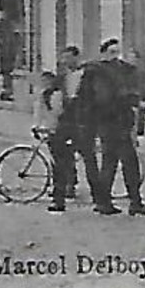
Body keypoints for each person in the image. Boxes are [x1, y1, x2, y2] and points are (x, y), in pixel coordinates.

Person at [79, 38, 145, 216]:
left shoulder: (102, 71)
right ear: (104, 53)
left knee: (110, 162)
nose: (115, 57)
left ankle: (105, 202)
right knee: (127, 162)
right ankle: (133, 201)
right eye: (112, 52)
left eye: (116, 53)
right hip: (113, 121)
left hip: (111, 121)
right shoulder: (102, 72)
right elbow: (103, 97)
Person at [45, 46, 96, 212]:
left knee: (90, 160)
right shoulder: (61, 78)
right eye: (63, 59)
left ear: (77, 58)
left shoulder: (89, 76)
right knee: (60, 162)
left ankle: (100, 198)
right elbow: (49, 94)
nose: (65, 62)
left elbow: (94, 99)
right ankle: (58, 199)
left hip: (83, 124)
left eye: (68, 58)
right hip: (65, 124)